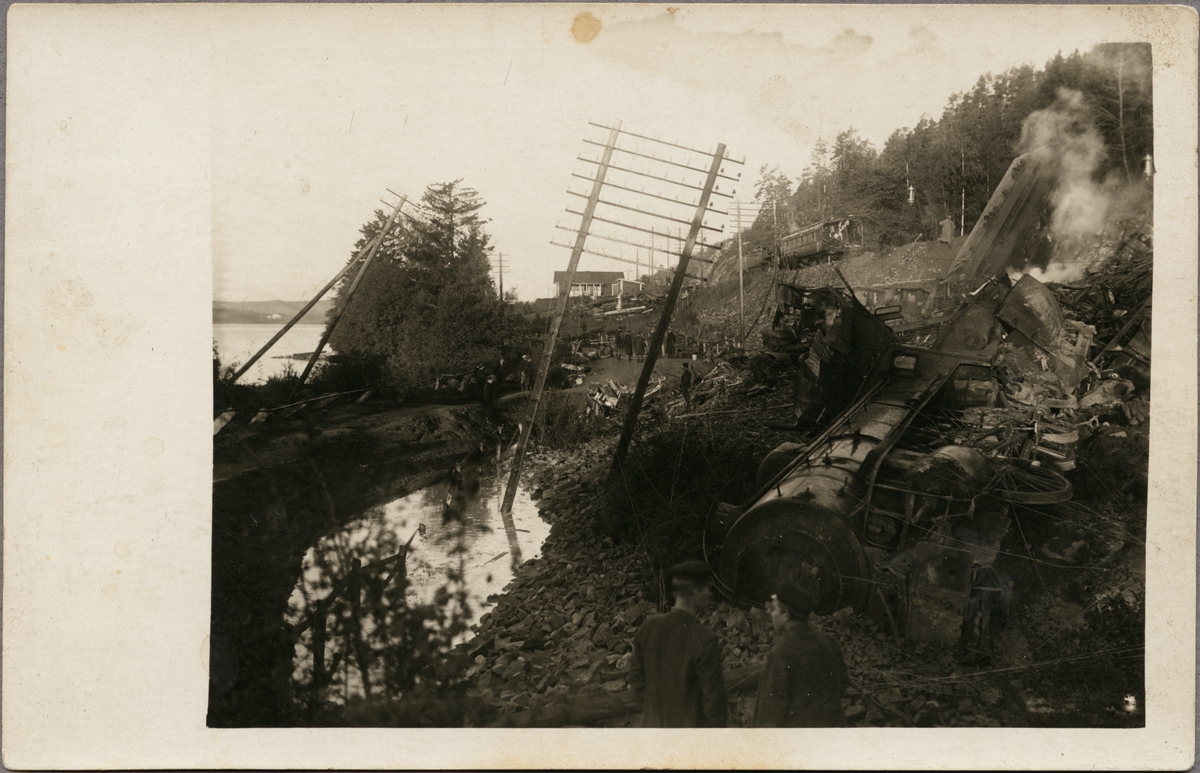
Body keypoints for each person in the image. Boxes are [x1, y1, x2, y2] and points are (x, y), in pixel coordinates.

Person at [628, 561, 728, 727]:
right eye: (707, 589)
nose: (710, 594)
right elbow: (714, 700)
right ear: (696, 592)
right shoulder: (704, 639)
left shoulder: (648, 628)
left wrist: (654, 709)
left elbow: (636, 679)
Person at [753, 582, 849, 728]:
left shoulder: (780, 652)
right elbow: (843, 683)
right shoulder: (830, 643)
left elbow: (771, 711)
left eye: (774, 610)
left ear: (786, 615)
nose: (770, 613)